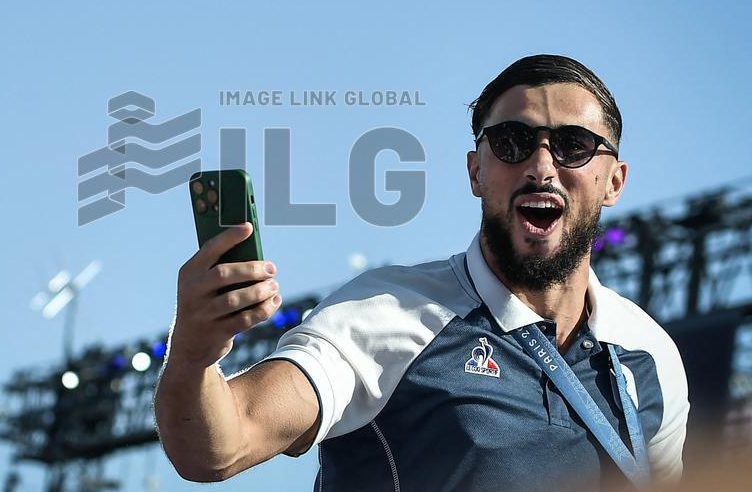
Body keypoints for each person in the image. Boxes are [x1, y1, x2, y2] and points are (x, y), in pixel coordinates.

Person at [153, 55, 689, 490]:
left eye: (573, 145)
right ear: (476, 171)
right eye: (512, 142)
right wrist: (192, 358)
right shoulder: (388, 315)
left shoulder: (651, 356)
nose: (541, 165)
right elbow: (221, 446)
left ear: (614, 181)